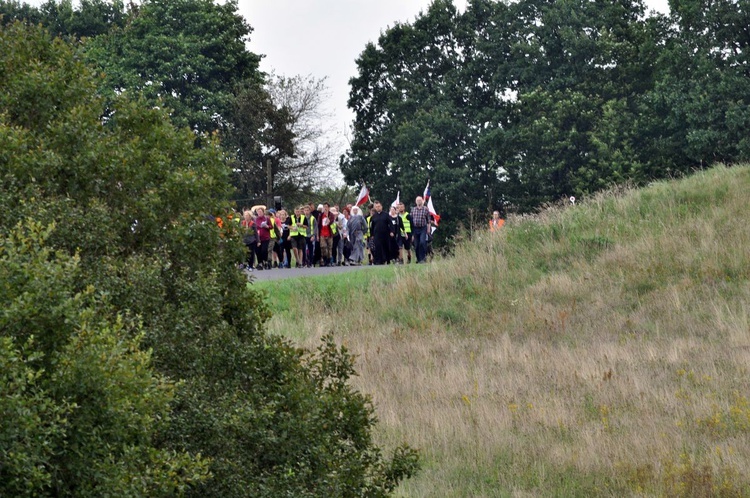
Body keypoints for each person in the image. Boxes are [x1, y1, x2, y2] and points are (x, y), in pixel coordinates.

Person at [368, 200, 390, 265]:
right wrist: (372, 235)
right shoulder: (374, 216)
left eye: (379, 206)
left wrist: (391, 231)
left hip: (385, 234)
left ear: (381, 207)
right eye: (376, 207)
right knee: (377, 247)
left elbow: (390, 224)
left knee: (385, 247)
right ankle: (378, 260)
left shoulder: (386, 215)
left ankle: (387, 259)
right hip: (376, 234)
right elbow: (371, 226)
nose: (378, 208)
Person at [410, 196, 431, 263]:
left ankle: (423, 258)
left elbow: (429, 220)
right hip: (415, 228)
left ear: (422, 201)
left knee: (422, 242)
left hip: (423, 228)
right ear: (416, 202)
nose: (419, 201)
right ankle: (418, 259)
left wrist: (428, 229)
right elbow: (410, 220)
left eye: (420, 200)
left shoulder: (426, 209)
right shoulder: (413, 209)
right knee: (416, 245)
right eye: (417, 200)